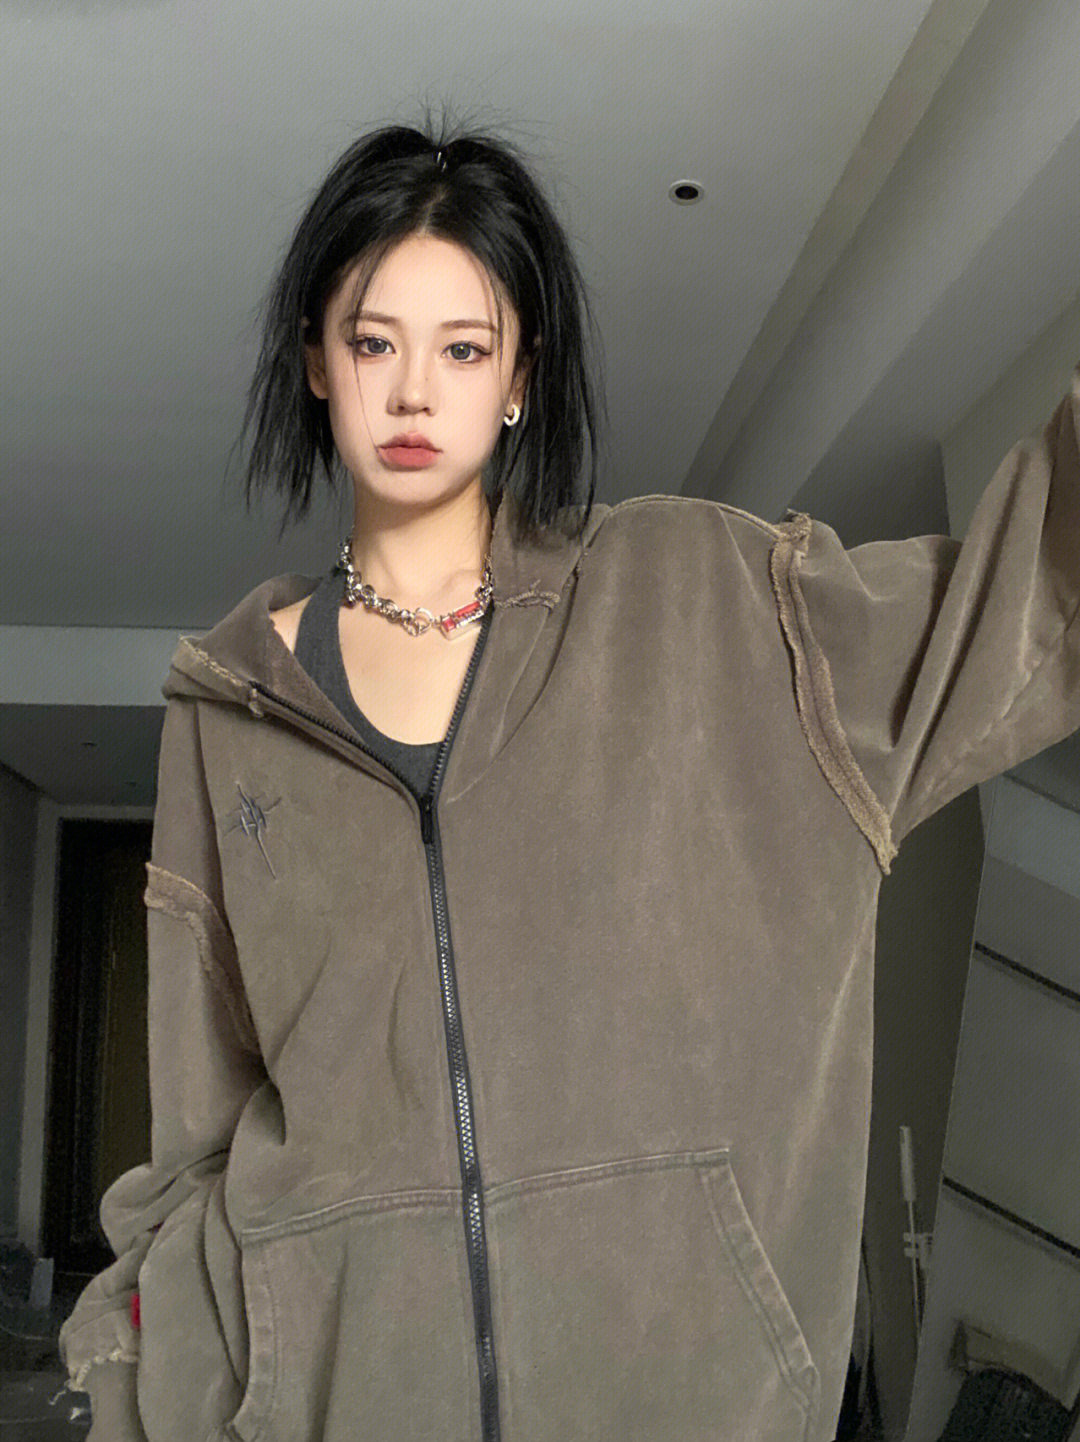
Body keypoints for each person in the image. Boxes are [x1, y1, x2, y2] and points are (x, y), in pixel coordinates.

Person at [57, 111, 1080, 1442]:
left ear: (519, 379)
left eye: (463, 347)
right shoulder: (229, 711)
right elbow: (196, 1145)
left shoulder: (712, 600)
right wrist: (131, 1377)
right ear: (315, 359)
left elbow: (1025, 601)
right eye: (372, 341)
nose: (413, 393)